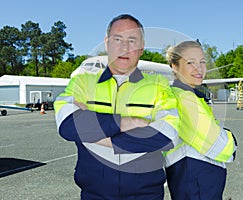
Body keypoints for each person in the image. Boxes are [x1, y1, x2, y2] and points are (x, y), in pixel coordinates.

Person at [54, 14, 179, 199]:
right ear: (107, 43)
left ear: (141, 48)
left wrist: (96, 134)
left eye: (132, 40)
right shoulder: (82, 82)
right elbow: (67, 124)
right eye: (117, 39)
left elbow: (168, 135)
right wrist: (129, 122)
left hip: (146, 194)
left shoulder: (159, 85)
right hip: (94, 194)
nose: (124, 47)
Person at [164, 40, 238, 200]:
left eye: (202, 62)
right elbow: (218, 144)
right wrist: (232, 142)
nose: (199, 68)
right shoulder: (185, 98)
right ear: (174, 67)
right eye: (190, 62)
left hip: (191, 176)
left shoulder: (187, 95)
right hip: (195, 178)